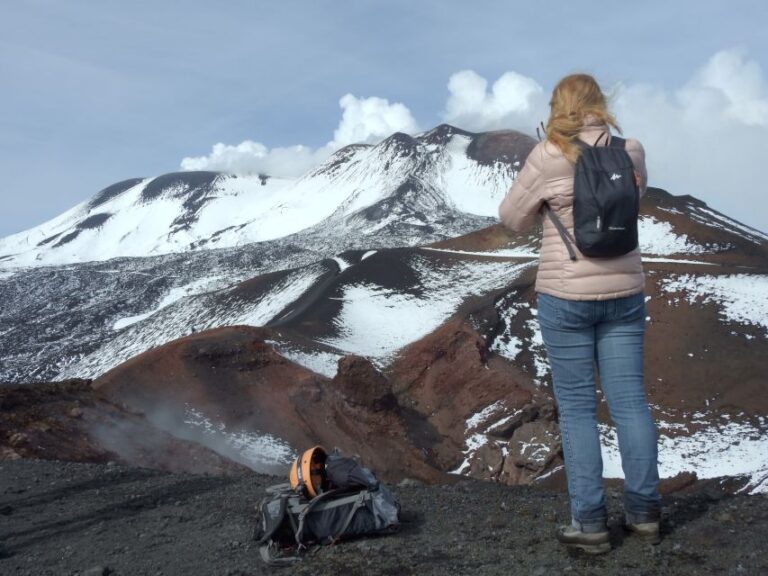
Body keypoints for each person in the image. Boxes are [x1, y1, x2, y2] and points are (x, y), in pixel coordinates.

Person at [498, 73, 661, 554]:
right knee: (630, 403)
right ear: (599, 104)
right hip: (625, 290)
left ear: (558, 107)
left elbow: (510, 217)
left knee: (577, 410)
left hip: (566, 296)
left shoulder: (549, 154)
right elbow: (635, 198)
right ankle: (644, 512)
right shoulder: (631, 150)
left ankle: (590, 523)